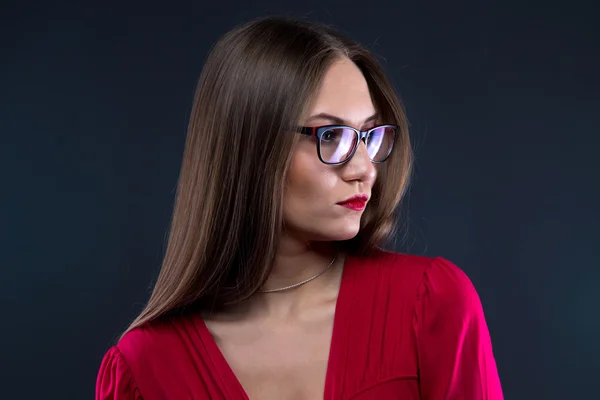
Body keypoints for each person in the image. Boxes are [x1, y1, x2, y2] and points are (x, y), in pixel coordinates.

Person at [96, 16, 503, 400]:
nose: (365, 169)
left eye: (369, 136)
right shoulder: (144, 369)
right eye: (331, 135)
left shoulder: (430, 305)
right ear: (251, 147)